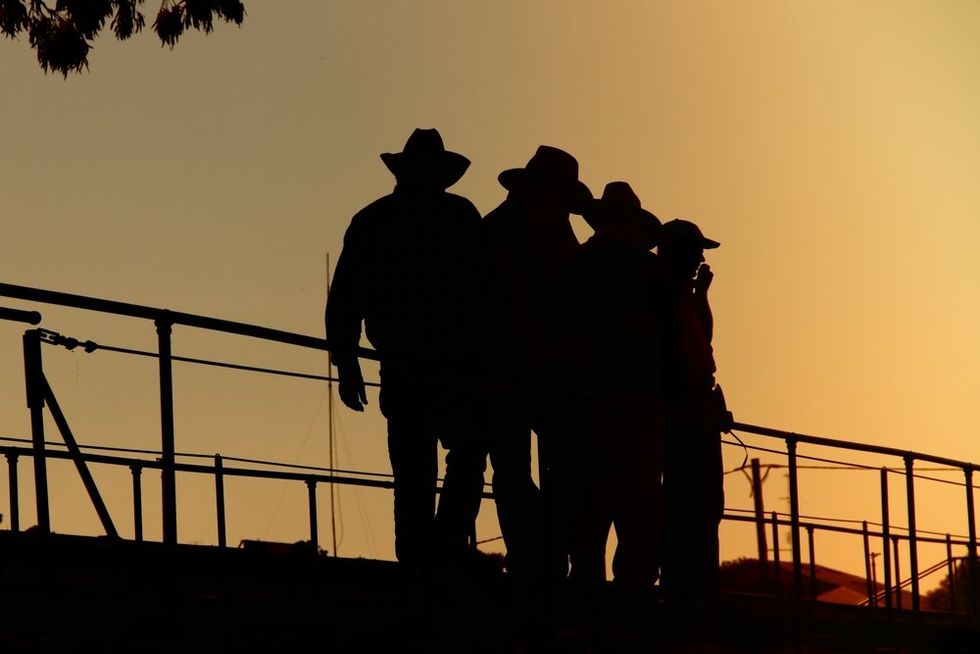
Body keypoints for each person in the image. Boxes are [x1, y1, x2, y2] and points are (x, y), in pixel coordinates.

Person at [325, 128, 493, 567]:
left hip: (403, 366)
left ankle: (419, 564)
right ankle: (444, 548)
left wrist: (347, 362)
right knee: (467, 459)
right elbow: (484, 293)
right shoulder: (460, 216)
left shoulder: (373, 220)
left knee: (414, 476)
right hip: (456, 365)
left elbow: (345, 298)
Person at [474, 145, 593, 578]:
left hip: (521, 372)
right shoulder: (545, 235)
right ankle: (540, 555)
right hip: (524, 372)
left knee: (520, 468)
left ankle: (538, 554)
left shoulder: (500, 230)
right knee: (530, 467)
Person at [561, 182, 665, 588]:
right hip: (637, 403)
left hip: (588, 401)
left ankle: (587, 581)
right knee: (637, 502)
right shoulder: (649, 269)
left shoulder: (580, 262)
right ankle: (633, 586)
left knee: (591, 499)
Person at [658, 218, 730, 601]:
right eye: (696, 249)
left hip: (696, 410)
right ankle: (688, 588)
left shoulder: (681, 294)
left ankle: (697, 584)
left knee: (703, 504)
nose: (701, 256)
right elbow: (684, 356)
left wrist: (701, 294)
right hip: (687, 415)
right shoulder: (665, 293)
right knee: (691, 502)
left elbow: (703, 339)